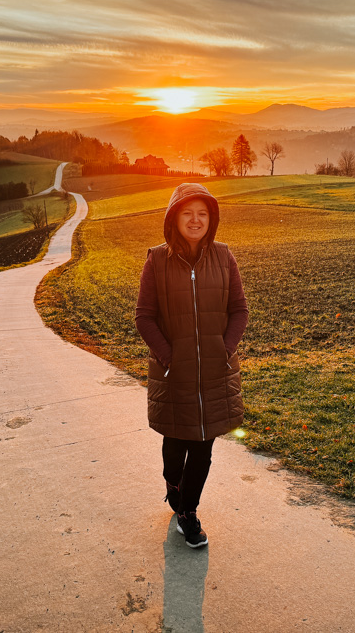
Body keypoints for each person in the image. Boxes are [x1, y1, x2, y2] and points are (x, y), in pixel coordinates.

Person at [135, 183, 249, 549]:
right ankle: (173, 483)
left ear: (210, 219)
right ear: (174, 218)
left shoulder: (224, 256)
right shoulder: (156, 260)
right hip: (175, 371)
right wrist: (169, 357)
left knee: (203, 443)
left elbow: (239, 310)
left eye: (202, 213)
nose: (196, 220)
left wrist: (225, 348)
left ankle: (187, 510)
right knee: (176, 439)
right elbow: (144, 317)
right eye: (188, 213)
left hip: (215, 372)